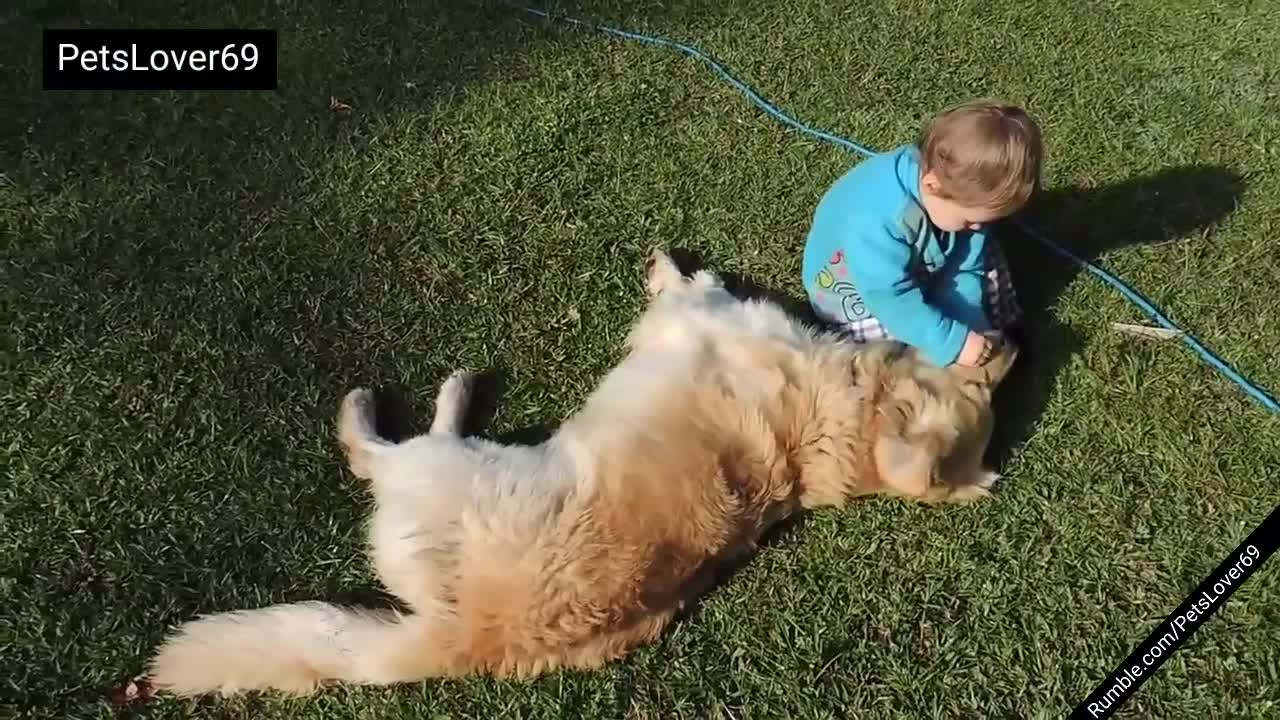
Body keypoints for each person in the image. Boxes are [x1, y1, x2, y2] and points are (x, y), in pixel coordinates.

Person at [801, 100, 1043, 368]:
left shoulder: (952, 195)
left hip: (911, 262)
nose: (976, 229)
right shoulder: (878, 219)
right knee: (887, 345)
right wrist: (950, 340)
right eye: (970, 221)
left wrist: (971, 324)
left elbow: (967, 263)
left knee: (990, 263)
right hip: (856, 287)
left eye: (983, 221)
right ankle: (921, 368)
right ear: (932, 185)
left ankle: (999, 335)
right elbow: (890, 297)